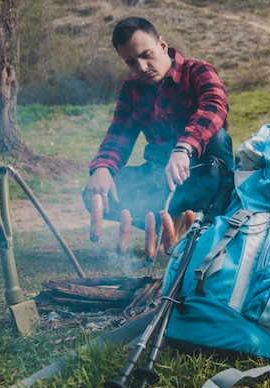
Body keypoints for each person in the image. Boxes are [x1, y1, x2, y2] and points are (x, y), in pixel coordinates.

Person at [83, 17, 234, 246]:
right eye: (132, 62)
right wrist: (103, 167)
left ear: (162, 45)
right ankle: (167, 222)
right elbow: (119, 134)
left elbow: (214, 106)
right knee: (93, 191)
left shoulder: (198, 71)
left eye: (146, 55)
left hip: (206, 173)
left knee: (219, 139)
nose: (141, 68)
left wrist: (183, 147)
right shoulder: (131, 88)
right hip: (159, 176)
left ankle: (195, 221)